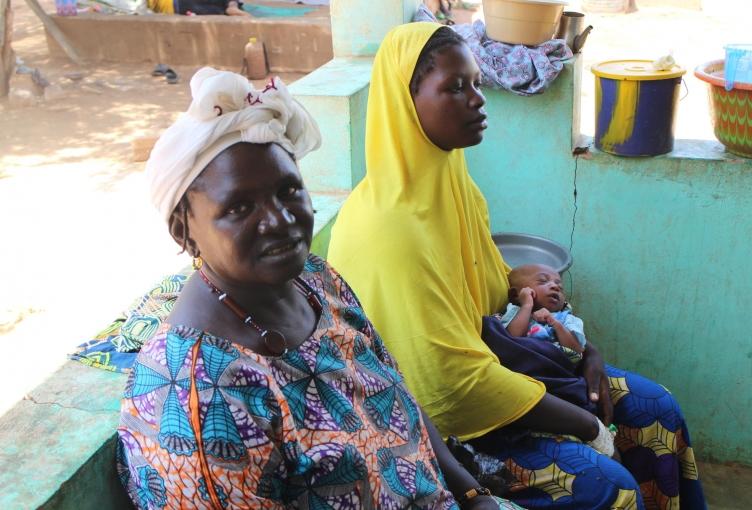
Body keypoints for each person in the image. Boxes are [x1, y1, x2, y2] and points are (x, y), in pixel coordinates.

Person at [327, 23, 707, 510]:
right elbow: (447, 382)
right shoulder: (386, 226)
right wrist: (585, 422)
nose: (477, 100)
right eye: (455, 87)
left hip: (498, 363)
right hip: (445, 430)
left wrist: (579, 348)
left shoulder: (453, 185)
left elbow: (487, 300)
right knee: (611, 489)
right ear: (406, 99)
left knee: (660, 412)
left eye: (477, 84)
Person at [117, 67, 522, 510]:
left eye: (289, 189)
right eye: (239, 206)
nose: (280, 220)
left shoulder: (315, 280)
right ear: (184, 230)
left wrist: (471, 492)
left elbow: (397, 396)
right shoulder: (197, 397)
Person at [501, 264, 585, 363]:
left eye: (560, 287)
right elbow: (512, 339)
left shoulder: (569, 319)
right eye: (543, 281)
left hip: (556, 371)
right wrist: (527, 305)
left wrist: (555, 323)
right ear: (516, 295)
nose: (555, 287)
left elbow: (577, 350)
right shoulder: (515, 311)